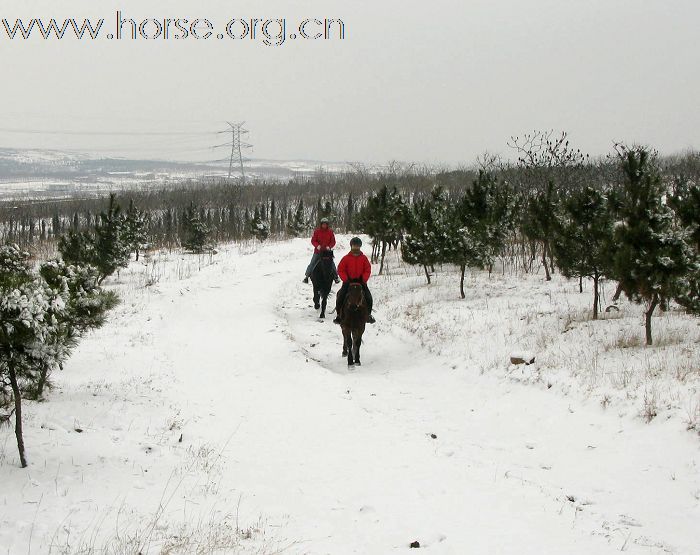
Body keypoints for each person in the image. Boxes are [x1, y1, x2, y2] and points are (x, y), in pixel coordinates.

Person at [333, 236, 375, 324]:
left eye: (357, 246)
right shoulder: (346, 258)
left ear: (360, 246)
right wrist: (345, 279)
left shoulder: (364, 258)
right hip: (348, 282)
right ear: (351, 246)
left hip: (360, 282)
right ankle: (339, 315)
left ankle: (368, 315)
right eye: (354, 246)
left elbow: (367, 269)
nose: (356, 247)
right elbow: (340, 269)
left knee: (368, 297)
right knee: (340, 296)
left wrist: (364, 279)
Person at [302, 218, 340, 284]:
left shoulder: (330, 232)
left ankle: (336, 277)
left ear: (327, 225)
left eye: (325, 224)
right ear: (321, 224)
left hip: (327, 252)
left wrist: (329, 246)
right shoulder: (317, 231)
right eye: (323, 224)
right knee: (313, 263)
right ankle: (307, 276)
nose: (324, 225)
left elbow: (333, 241)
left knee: (331, 264)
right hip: (318, 251)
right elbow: (313, 240)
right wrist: (317, 246)